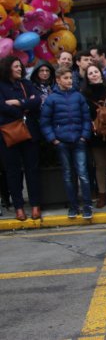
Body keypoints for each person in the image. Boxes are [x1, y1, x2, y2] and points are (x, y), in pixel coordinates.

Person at [41, 67, 93, 219]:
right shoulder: (51, 99)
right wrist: (54, 139)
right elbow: (45, 122)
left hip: (79, 141)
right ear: (58, 80)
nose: (69, 80)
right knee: (68, 175)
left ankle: (87, 206)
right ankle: (73, 206)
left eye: (70, 78)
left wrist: (84, 136)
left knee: (83, 174)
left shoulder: (78, 97)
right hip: (62, 142)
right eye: (66, 78)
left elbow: (86, 118)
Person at [0, 56, 42, 221]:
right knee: (13, 171)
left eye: (20, 66)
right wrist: (25, 105)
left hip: (29, 132)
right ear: (7, 68)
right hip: (8, 133)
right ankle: (18, 207)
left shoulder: (27, 84)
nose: (19, 69)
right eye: (16, 66)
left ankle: (35, 205)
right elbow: (1, 106)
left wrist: (18, 102)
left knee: (32, 170)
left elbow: (36, 101)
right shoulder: (1, 85)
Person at [82, 64, 106, 209]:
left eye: (96, 71)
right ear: (87, 77)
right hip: (95, 134)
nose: (93, 74)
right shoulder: (84, 93)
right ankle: (102, 194)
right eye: (90, 73)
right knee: (99, 166)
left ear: (101, 73)